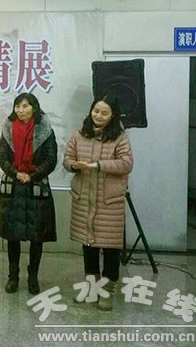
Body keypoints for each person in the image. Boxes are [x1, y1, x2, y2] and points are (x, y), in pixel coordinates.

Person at [63, 94, 133, 311]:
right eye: (96, 111)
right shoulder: (79, 134)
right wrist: (74, 165)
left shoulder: (120, 138)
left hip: (108, 202)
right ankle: (91, 289)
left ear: (112, 115)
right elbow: (67, 159)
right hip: (85, 199)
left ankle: (107, 291)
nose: (99, 116)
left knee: (111, 248)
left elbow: (126, 164)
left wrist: (98, 165)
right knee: (89, 246)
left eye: (104, 113)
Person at [0, 93, 57, 295]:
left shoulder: (45, 130)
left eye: (25, 106)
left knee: (36, 237)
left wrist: (32, 175)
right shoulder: (7, 129)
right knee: (12, 236)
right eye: (17, 106)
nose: (20, 110)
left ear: (34, 108)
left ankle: (33, 277)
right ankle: (13, 276)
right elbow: (2, 157)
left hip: (36, 187)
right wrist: (16, 173)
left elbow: (51, 159)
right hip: (13, 187)